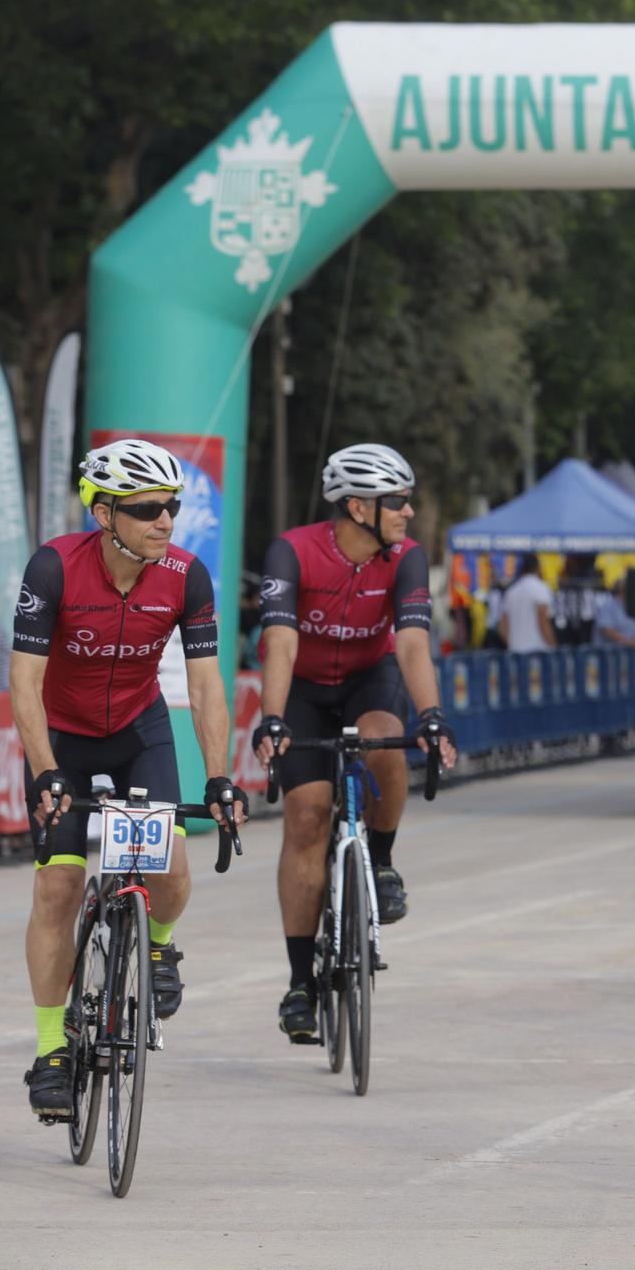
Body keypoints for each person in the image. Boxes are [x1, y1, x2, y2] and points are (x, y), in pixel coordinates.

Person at [12, 439, 248, 1118]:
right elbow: (23, 680)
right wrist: (45, 770)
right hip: (64, 737)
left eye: (171, 506)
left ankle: (160, 947)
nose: (165, 520)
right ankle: (52, 1048)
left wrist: (220, 777)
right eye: (147, 509)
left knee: (172, 866)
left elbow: (204, 687)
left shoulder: (185, 575)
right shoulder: (54, 567)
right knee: (58, 884)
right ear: (105, 513)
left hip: (138, 731)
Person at [251, 443, 458, 1043]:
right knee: (307, 816)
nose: (409, 512)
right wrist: (271, 718)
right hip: (303, 688)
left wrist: (433, 714)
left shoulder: (408, 560)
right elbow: (281, 643)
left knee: (385, 740)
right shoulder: (291, 551)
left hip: (370, 677)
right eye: (398, 501)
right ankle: (298, 983)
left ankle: (384, 863)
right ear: (359, 507)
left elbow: (413, 644)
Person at [499, 554, 555, 653]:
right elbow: (543, 622)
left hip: (516, 654)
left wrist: (512, 644)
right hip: (538, 653)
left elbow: (502, 626)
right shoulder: (541, 589)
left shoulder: (511, 591)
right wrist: (553, 647)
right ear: (538, 568)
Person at [553, 554, 605, 646]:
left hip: (586, 619)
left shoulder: (589, 573)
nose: (568, 562)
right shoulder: (567, 576)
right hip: (569, 618)